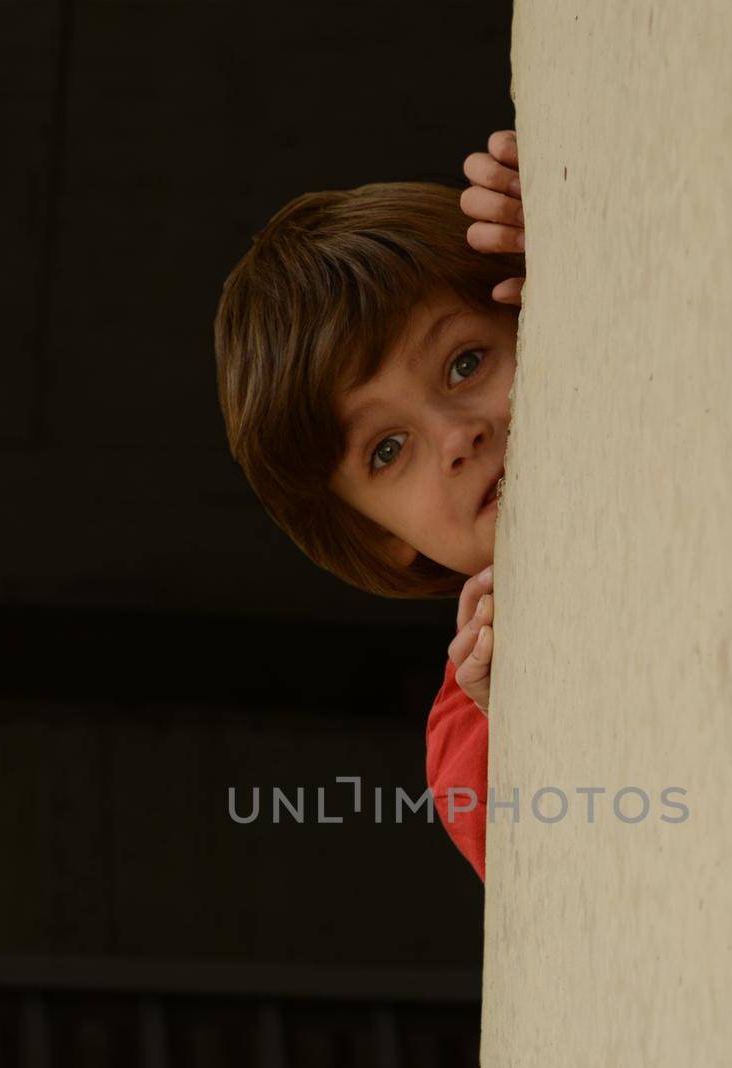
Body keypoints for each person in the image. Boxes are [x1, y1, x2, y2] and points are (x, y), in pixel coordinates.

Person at [213, 130, 526, 882]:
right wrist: (514, 712)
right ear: (376, 534)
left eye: (465, 362)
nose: (457, 436)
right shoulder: (468, 725)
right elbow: (556, 887)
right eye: (387, 450)